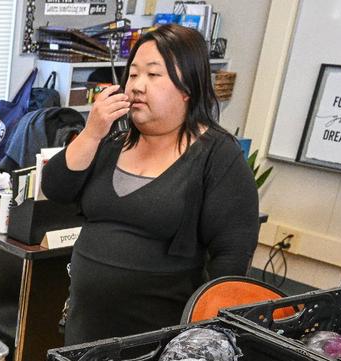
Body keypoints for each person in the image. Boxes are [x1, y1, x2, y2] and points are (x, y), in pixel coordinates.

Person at [41, 24, 259, 344]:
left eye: (154, 75)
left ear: (188, 87)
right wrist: (91, 132)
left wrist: (200, 337)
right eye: (133, 75)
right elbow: (56, 188)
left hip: (158, 340)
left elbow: (232, 257)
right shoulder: (113, 141)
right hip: (85, 328)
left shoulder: (217, 155)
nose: (138, 86)